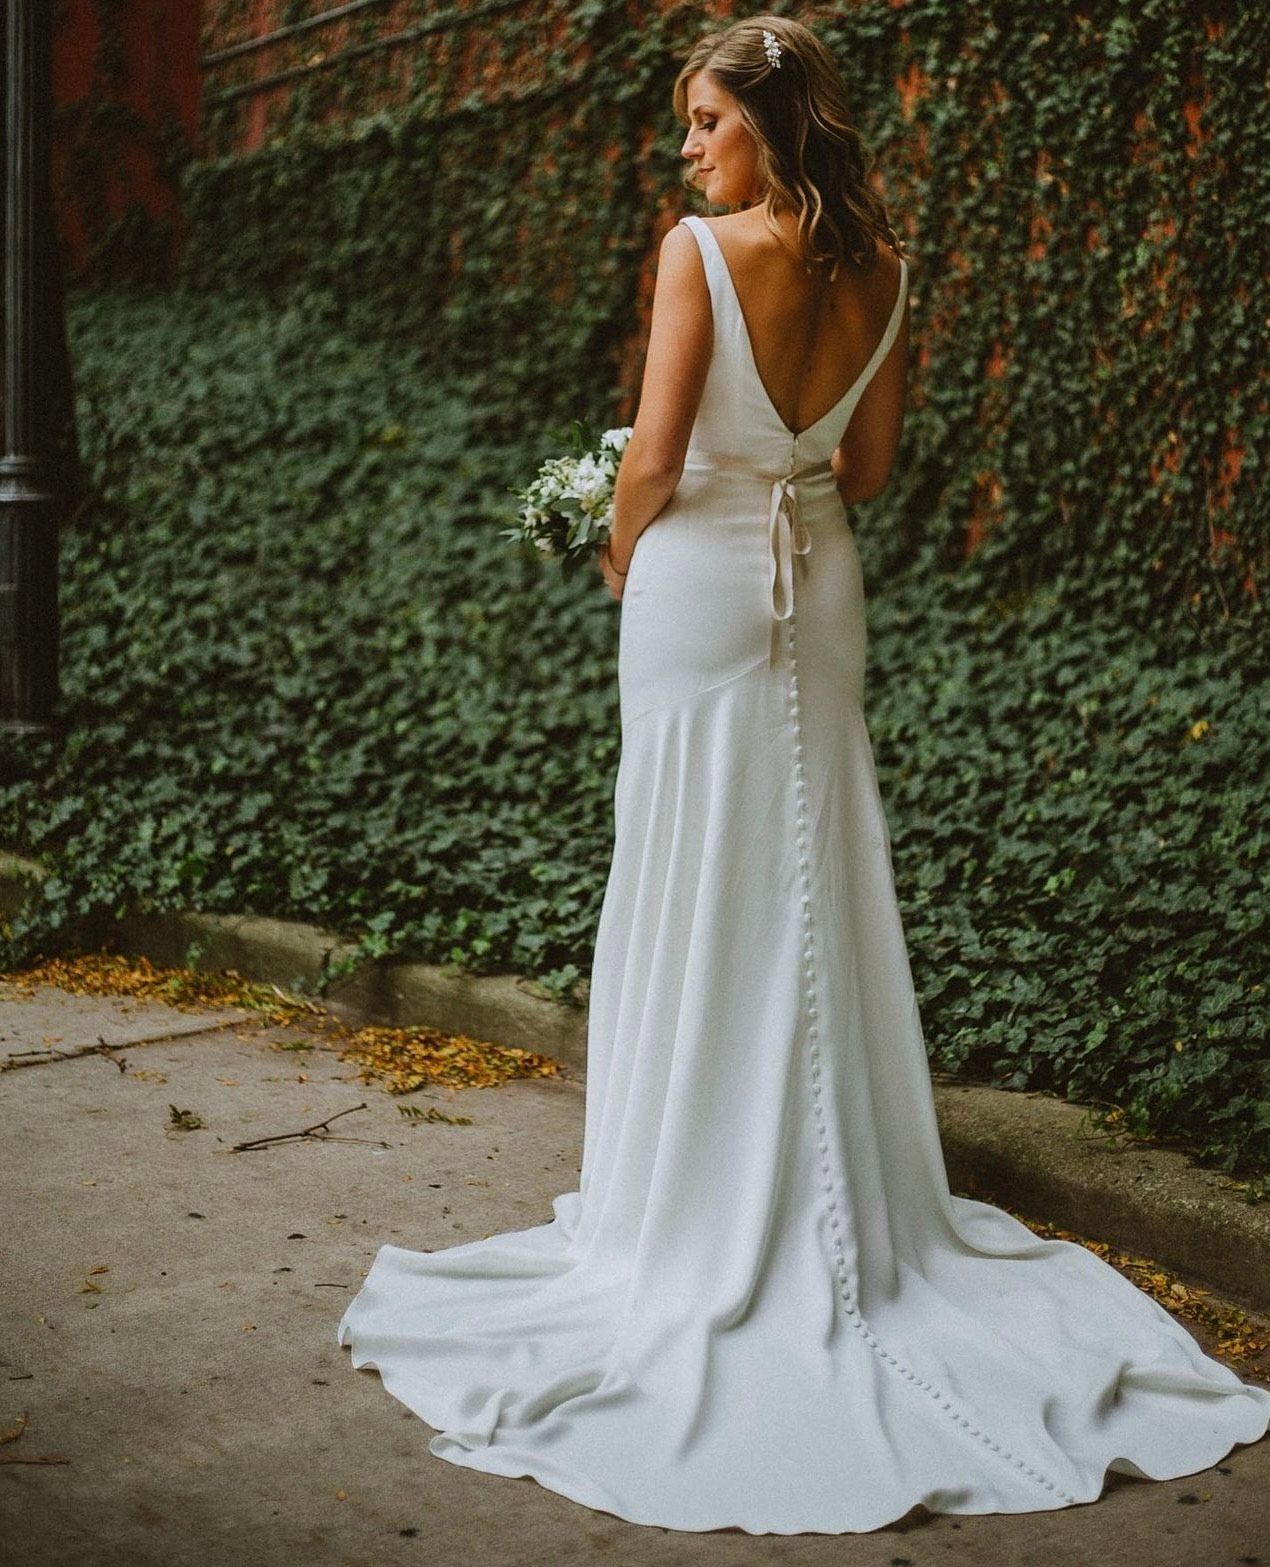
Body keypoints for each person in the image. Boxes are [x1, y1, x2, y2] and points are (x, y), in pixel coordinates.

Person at [338, 14, 1270, 1534]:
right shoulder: (884, 269)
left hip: (705, 580)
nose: (688, 146)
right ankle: (824, 1197)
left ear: (766, 123)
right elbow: (872, 473)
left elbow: (649, 450)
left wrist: (625, 543)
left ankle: (691, 1212)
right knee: (807, 870)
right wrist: (770, 464)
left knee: (694, 865)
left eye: (706, 119)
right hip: (817, 577)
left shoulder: (697, 253)